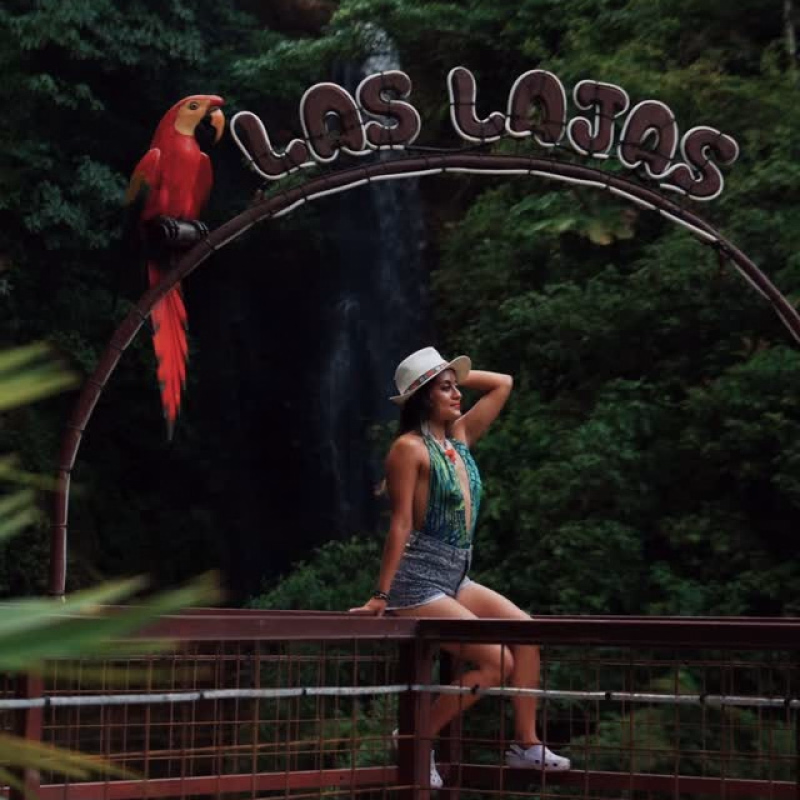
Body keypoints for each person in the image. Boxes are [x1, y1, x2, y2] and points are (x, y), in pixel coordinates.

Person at [350, 346, 570, 787]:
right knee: (497, 663)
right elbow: (401, 524)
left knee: (526, 632)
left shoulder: (459, 439)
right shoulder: (408, 449)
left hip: (456, 573)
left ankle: (526, 745)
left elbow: (503, 382)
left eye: (455, 387)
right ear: (423, 398)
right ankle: (415, 738)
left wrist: (449, 372)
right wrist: (382, 595)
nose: (456, 395)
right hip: (418, 581)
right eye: (445, 389)